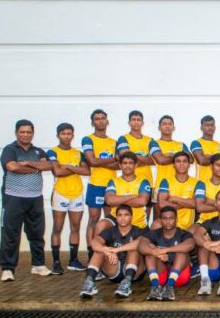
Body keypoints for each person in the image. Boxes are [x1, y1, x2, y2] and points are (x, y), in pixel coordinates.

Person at [0, 119, 52, 281]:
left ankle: (38, 265)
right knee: (10, 234)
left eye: (29, 132)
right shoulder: (10, 149)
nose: (26, 135)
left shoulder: (38, 151)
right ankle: (8, 269)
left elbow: (49, 166)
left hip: (35, 198)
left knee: (37, 233)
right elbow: (12, 167)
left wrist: (28, 163)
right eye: (22, 132)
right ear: (16, 133)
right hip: (13, 198)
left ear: (33, 133)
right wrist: (35, 167)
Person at [47, 123, 89, 274]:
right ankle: (56, 262)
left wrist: (69, 167)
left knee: (75, 228)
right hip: (60, 193)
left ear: (73, 135)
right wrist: (76, 169)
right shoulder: (53, 151)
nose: (66, 136)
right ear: (58, 135)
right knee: (57, 228)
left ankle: (73, 261)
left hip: (77, 193)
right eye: (63, 133)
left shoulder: (78, 153)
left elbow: (86, 170)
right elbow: (57, 171)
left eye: (69, 133)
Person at [79, 204, 146, 299]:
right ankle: (89, 282)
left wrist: (115, 250)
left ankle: (126, 283)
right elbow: (94, 242)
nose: (123, 218)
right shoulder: (110, 231)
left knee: (133, 249)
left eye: (126, 215)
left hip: (135, 272)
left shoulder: (139, 231)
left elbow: (139, 243)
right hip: (114, 268)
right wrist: (106, 250)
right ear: (116, 218)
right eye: (120, 215)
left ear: (131, 217)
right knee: (99, 250)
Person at [138, 206, 196, 301]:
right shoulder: (155, 233)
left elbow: (190, 245)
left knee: (182, 252)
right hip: (161, 274)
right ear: (160, 220)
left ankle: (169, 286)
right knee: (149, 253)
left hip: (179, 276)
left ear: (176, 220)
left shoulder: (183, 233)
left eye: (171, 218)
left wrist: (166, 250)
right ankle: (155, 287)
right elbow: (141, 246)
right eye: (165, 218)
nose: (168, 221)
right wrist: (156, 252)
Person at [82, 109, 118, 260]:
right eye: (97, 119)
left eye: (103, 118)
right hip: (95, 185)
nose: (100, 121)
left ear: (107, 121)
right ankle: (92, 253)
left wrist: (100, 162)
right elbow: (92, 161)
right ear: (92, 122)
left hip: (111, 186)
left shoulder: (114, 142)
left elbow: (119, 165)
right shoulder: (87, 140)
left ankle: (108, 252)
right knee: (93, 220)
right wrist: (112, 160)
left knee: (110, 220)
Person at [149, 115, 190, 216]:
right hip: (159, 186)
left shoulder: (181, 145)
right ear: (159, 127)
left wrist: (169, 155)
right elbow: (160, 160)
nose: (167, 126)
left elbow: (191, 159)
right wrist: (179, 157)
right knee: (158, 218)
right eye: (164, 124)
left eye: (170, 124)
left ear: (174, 127)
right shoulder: (154, 143)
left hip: (179, 186)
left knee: (179, 215)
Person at [103, 152, 151, 233]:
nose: (128, 166)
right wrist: (131, 196)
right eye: (125, 163)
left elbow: (142, 201)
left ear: (136, 165)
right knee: (101, 225)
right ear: (120, 165)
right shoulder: (113, 181)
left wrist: (117, 200)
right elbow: (109, 201)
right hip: (116, 219)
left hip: (137, 222)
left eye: (131, 163)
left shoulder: (143, 181)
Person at [116, 110, 155, 200]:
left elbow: (154, 161)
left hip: (148, 181)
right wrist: (146, 159)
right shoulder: (123, 138)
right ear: (129, 123)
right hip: (129, 182)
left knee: (147, 208)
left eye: (138, 120)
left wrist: (133, 156)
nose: (136, 122)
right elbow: (125, 156)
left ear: (142, 123)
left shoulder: (150, 140)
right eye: (133, 119)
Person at [157, 151, 198, 231]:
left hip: (188, 225)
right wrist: (187, 202)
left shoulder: (197, 183)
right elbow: (162, 204)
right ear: (173, 165)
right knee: (156, 225)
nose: (181, 164)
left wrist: (175, 199)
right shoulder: (166, 181)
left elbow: (196, 204)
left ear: (189, 164)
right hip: (169, 223)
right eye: (178, 161)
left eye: (184, 161)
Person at [194, 153, 220, 224]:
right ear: (211, 166)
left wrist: (210, 201)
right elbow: (199, 208)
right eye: (218, 165)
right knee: (191, 231)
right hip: (204, 221)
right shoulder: (201, 184)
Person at [190, 115, 220, 184]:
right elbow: (202, 161)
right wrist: (217, 157)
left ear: (215, 127)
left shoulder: (219, 145)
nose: (210, 127)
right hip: (201, 184)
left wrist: (208, 156)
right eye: (207, 125)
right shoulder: (196, 143)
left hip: (218, 185)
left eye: (212, 125)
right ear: (201, 128)